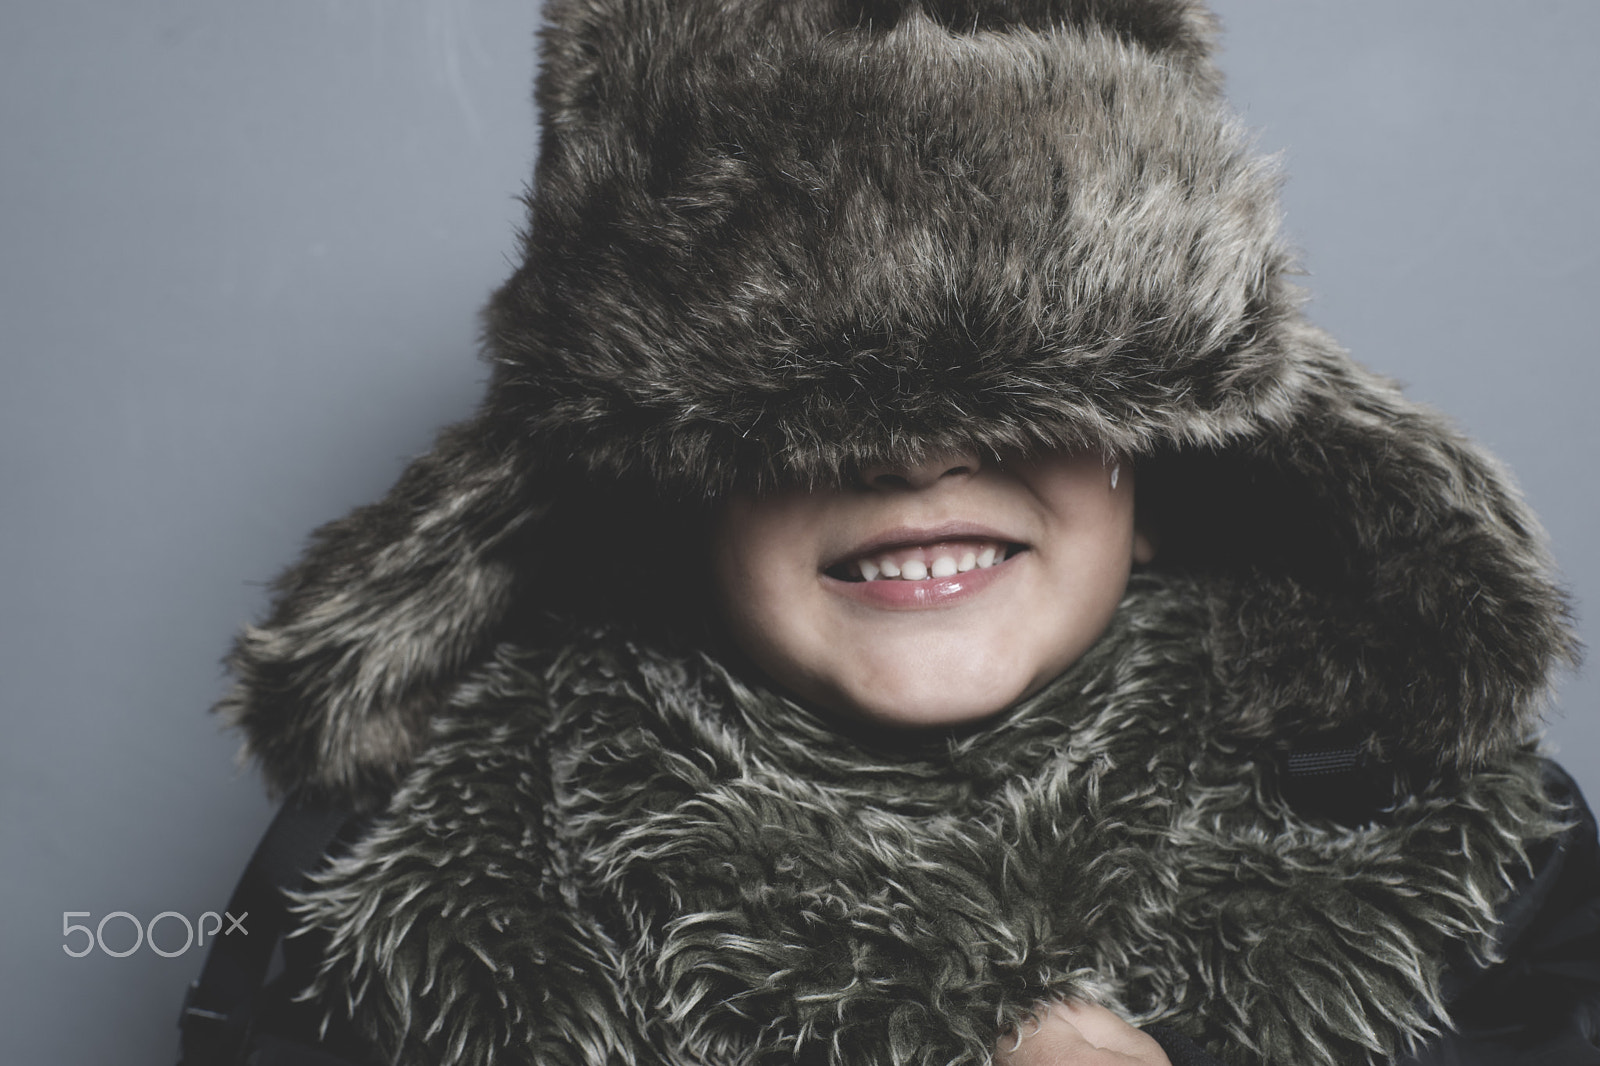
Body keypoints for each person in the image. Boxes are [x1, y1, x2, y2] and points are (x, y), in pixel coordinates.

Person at [201, 1, 1599, 1064]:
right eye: (807, 394)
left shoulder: (1468, 850)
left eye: (1029, 383)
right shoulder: (387, 881)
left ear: (1160, 465)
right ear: (673, 473)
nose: (921, 451)